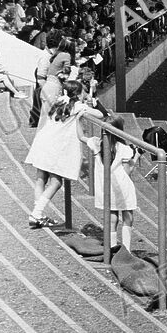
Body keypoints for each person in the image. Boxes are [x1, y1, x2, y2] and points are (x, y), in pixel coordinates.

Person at [24, 80, 100, 228]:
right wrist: (89, 105)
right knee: (56, 182)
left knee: (41, 178)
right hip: (54, 147)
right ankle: (36, 214)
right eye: (82, 91)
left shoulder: (59, 101)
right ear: (78, 94)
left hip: (43, 142)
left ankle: (37, 213)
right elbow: (99, 114)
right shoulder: (77, 106)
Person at [85, 115, 138, 250]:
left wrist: (79, 116)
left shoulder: (97, 144)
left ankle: (112, 247)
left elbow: (81, 136)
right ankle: (126, 249)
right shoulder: (125, 149)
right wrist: (136, 156)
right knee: (128, 218)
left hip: (106, 188)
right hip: (122, 188)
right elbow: (127, 171)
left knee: (112, 219)